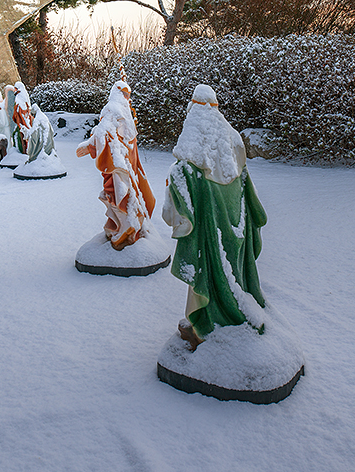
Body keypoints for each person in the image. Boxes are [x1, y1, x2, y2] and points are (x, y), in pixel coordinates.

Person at [162, 84, 267, 350]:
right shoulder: (232, 141)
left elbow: (178, 194)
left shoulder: (191, 152)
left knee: (207, 275)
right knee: (235, 273)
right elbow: (244, 182)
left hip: (210, 235)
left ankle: (205, 322)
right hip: (236, 228)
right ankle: (224, 316)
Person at [75, 81, 157, 250]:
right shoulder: (117, 111)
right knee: (121, 196)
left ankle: (126, 230)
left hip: (124, 167)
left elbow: (110, 136)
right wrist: (91, 146)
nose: (128, 98)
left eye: (128, 96)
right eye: (126, 95)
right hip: (120, 166)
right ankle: (122, 230)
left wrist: (91, 146)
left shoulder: (118, 111)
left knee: (124, 197)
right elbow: (104, 134)